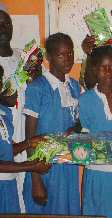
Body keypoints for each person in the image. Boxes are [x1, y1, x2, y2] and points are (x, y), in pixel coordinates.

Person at [23, 33, 81, 215]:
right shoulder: (38, 88)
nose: (67, 59)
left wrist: (75, 128)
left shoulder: (75, 87)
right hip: (44, 168)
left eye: (70, 53)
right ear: (49, 57)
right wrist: (36, 178)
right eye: (60, 54)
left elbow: (79, 121)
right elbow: (30, 137)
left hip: (68, 167)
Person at [79, 45, 112, 218]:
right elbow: (85, 138)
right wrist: (109, 134)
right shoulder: (86, 100)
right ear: (95, 69)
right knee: (97, 212)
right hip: (97, 171)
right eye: (103, 67)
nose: (108, 71)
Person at [0, 65, 50, 213]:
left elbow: (6, 151)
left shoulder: (4, 113)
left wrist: (29, 142)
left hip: (9, 184)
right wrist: (30, 166)